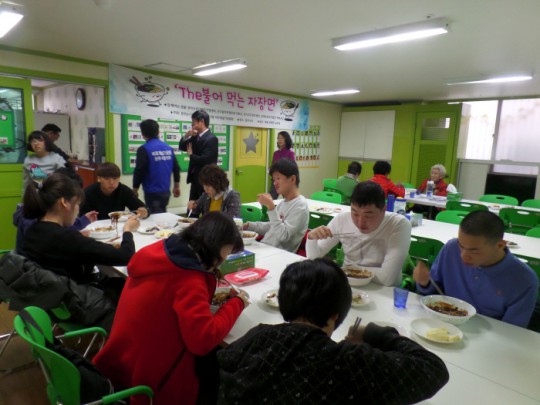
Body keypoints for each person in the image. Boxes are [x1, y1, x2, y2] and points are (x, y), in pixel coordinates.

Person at [218, 258, 449, 404]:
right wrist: (374, 333)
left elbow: (220, 362)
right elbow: (433, 370)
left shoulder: (259, 335)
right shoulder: (346, 360)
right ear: (336, 314)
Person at [93, 212, 250, 405]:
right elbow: (202, 340)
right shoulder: (189, 279)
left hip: (120, 363)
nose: (225, 259)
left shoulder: (160, 250)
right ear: (217, 245)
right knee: (217, 368)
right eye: (228, 251)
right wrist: (237, 303)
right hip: (153, 384)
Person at [20, 172, 140, 330]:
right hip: (77, 304)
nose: (78, 211)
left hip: (50, 302)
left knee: (116, 282)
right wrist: (127, 230)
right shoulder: (66, 238)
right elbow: (126, 256)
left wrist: (79, 240)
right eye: (77, 205)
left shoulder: (33, 230)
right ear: (64, 203)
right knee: (132, 288)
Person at [414, 211, 538, 328]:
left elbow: (513, 331)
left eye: (474, 251)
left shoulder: (524, 279)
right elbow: (433, 292)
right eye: (461, 246)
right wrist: (425, 282)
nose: (463, 255)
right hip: (444, 322)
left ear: (500, 245)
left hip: (489, 335)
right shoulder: (451, 248)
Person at [307, 182, 411, 286]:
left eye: (368, 216)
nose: (360, 222)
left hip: (385, 290)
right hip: (349, 284)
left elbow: (387, 278)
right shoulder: (342, 220)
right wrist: (312, 238)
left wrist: (347, 269)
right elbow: (313, 258)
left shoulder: (398, 224)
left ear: (383, 210)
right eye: (355, 213)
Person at [244, 159, 309, 253]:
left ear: (292, 179)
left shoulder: (300, 206)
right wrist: (249, 226)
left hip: (277, 254)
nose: (275, 183)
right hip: (264, 247)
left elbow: (283, 236)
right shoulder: (283, 203)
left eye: (278, 178)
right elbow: (272, 226)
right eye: (274, 180)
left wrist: (271, 208)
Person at [133, 119, 180, 214]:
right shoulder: (168, 148)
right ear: (158, 132)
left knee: (156, 217)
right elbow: (176, 168)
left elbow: (139, 171)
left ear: (143, 134)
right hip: (165, 191)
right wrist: (176, 187)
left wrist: (135, 190)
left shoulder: (144, 149)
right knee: (162, 213)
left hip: (152, 192)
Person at [80, 162, 148, 220]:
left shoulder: (123, 190)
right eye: (106, 178)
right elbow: (80, 217)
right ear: (99, 178)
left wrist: (144, 213)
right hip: (94, 227)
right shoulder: (88, 193)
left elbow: (143, 208)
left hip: (118, 226)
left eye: (115, 178)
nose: (111, 182)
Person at [179, 109, 219, 203]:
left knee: (204, 208)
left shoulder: (212, 139)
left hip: (206, 181)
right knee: (192, 207)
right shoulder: (195, 136)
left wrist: (191, 155)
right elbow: (182, 147)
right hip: (194, 179)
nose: (192, 124)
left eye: (194, 122)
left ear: (201, 121)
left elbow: (206, 160)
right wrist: (187, 135)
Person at [269, 131, 295, 199]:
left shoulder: (290, 153)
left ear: (286, 139)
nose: (279, 140)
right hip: (275, 180)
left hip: (285, 180)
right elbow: (273, 166)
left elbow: (293, 168)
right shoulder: (276, 153)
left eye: (282, 138)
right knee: (271, 198)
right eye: (278, 138)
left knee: (287, 199)